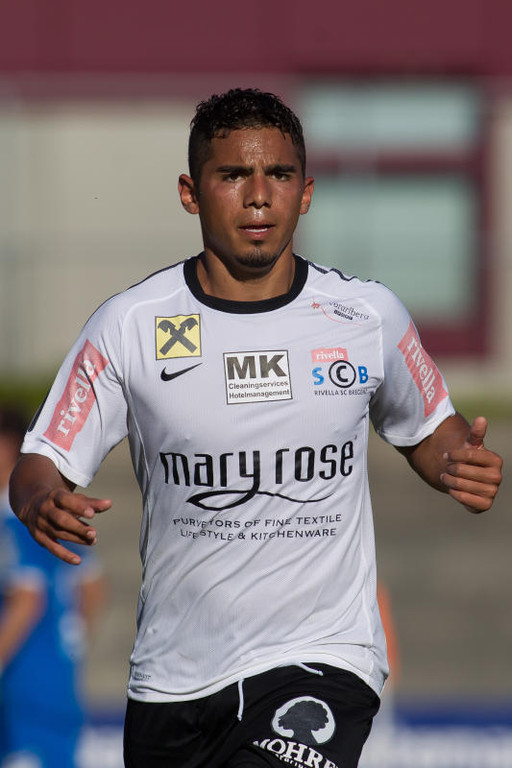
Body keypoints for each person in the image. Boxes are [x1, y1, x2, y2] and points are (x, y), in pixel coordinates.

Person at [9, 88, 502, 768]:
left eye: (280, 174)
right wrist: (39, 498)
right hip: (173, 682)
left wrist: (456, 462)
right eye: (234, 175)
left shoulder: (367, 316)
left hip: (321, 658)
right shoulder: (131, 326)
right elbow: (40, 462)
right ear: (190, 193)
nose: (260, 196)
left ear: (307, 193)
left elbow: (431, 428)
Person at [0, 405, 105, 767]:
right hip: (54, 681)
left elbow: (27, 599)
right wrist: (71, 641)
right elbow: (93, 587)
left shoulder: (14, 519)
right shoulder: (46, 511)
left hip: (24, 687)